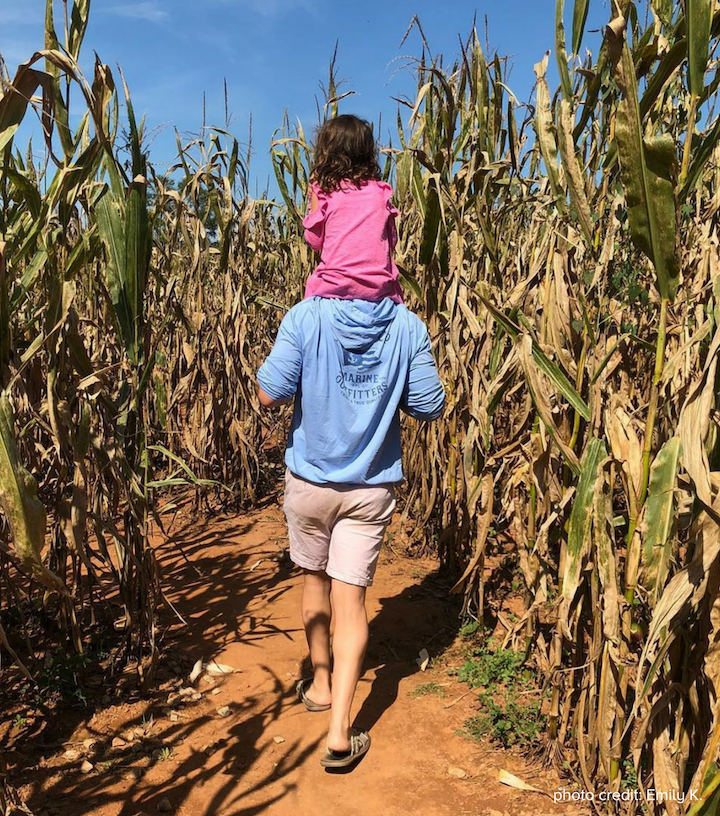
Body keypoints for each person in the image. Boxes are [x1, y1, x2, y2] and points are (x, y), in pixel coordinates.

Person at [257, 115, 445, 770]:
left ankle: (320, 681)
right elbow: (430, 405)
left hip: (309, 484)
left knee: (312, 582)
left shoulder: (305, 316)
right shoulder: (407, 326)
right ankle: (342, 735)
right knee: (351, 599)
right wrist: (385, 386)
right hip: (369, 489)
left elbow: (269, 392)